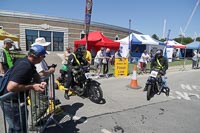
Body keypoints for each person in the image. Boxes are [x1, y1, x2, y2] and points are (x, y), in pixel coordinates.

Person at [2, 45, 47, 133]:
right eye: (43, 56)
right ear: (38, 57)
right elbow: (11, 87)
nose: (43, 59)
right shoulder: (25, 66)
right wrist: (32, 86)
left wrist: (40, 82)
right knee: (19, 129)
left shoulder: (27, 62)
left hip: (13, 101)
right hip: (12, 103)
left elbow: (35, 74)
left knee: (14, 128)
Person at [30, 37, 56, 129]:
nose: (46, 48)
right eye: (45, 46)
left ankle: (34, 122)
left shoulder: (39, 56)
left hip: (40, 83)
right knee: (42, 104)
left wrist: (49, 68)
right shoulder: (37, 57)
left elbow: (41, 69)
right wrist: (50, 71)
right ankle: (33, 122)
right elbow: (41, 72)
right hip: (39, 83)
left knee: (36, 105)